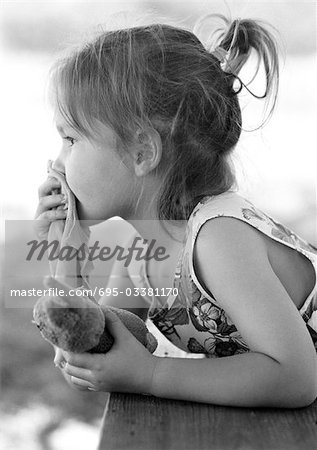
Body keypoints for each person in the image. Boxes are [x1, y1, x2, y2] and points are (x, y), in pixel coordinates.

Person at [35, 16, 317, 408]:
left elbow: (298, 377)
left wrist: (152, 375)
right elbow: (108, 346)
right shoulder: (141, 249)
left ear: (142, 152)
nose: (57, 163)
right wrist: (67, 249)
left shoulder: (218, 239)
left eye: (71, 139)